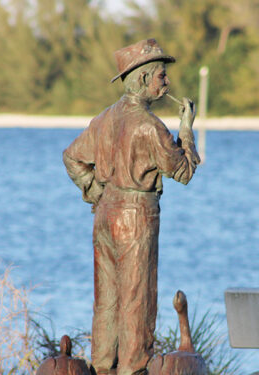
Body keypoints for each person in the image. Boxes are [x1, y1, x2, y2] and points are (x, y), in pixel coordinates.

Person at [62, 38, 200, 375]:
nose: (166, 82)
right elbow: (183, 171)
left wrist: (97, 192)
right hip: (136, 216)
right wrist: (186, 129)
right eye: (161, 76)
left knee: (107, 299)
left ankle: (104, 365)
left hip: (105, 215)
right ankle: (134, 368)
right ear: (141, 80)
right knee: (137, 298)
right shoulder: (150, 127)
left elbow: (72, 158)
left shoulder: (105, 119)